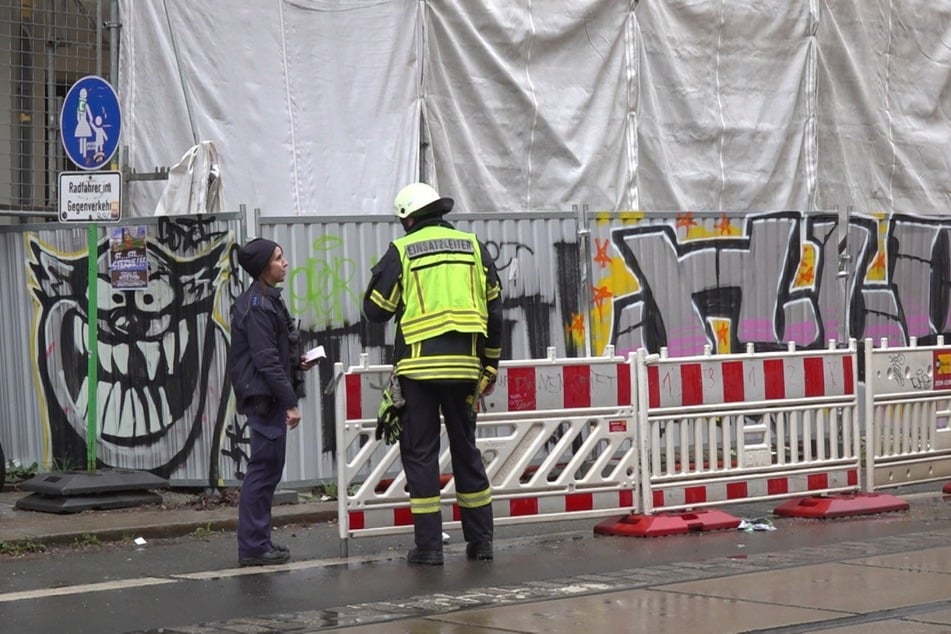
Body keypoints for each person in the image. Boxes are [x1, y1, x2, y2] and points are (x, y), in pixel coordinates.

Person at [363, 182, 503, 565]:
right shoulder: (473, 247)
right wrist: (490, 365)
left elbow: (375, 309)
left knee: (421, 455)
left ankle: (429, 548)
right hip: (465, 370)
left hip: (419, 372)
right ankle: (482, 542)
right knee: (466, 451)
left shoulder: (403, 250)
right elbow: (495, 312)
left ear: (408, 217)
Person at [229, 237, 317, 566]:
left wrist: (298, 362)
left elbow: (274, 355)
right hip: (265, 400)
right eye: (279, 258)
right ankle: (253, 546)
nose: (285, 263)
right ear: (265, 266)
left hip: (268, 397)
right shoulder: (257, 306)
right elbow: (265, 361)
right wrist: (291, 402)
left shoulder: (268, 301)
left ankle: (260, 541)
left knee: (269, 471)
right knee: (263, 471)